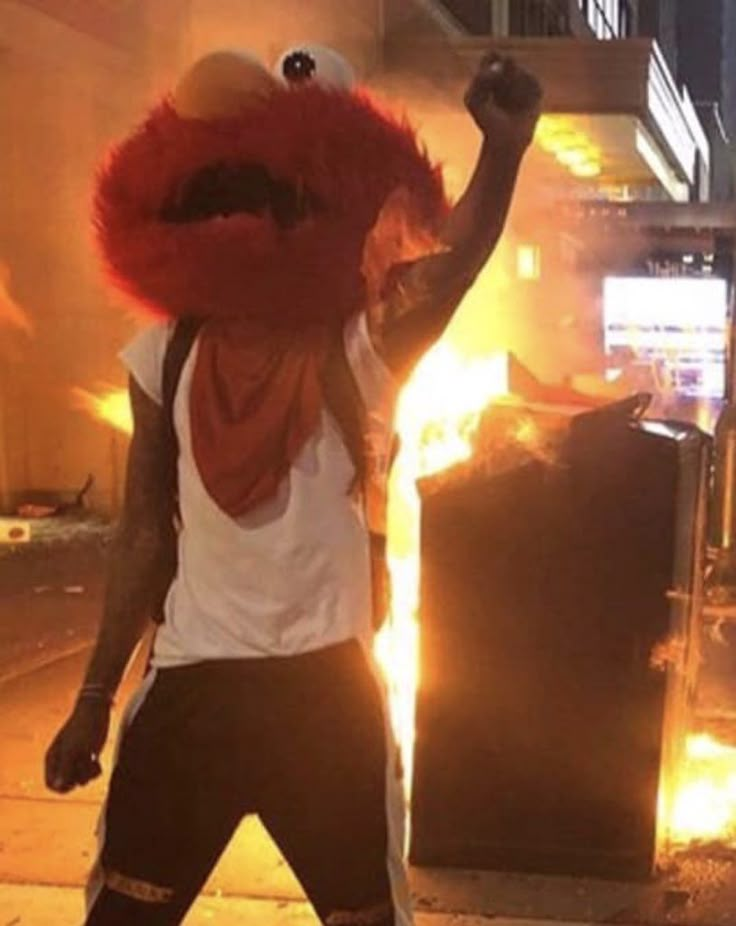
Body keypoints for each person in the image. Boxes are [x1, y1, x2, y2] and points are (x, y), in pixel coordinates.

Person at [44, 43, 541, 926]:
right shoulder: (167, 350)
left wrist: (503, 152)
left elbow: (449, 268)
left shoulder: (359, 344)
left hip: (325, 697)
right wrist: (91, 700)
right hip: (193, 690)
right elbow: (143, 535)